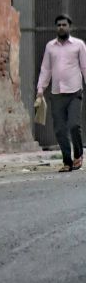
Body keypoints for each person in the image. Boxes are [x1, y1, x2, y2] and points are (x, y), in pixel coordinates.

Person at [36, 14, 86, 172]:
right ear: (56, 28)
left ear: (70, 27)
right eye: (58, 25)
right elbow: (46, 69)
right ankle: (67, 161)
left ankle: (78, 154)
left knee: (73, 125)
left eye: (64, 25)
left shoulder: (78, 45)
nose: (61, 27)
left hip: (74, 92)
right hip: (57, 93)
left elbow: (84, 67)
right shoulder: (50, 46)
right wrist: (40, 90)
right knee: (59, 129)